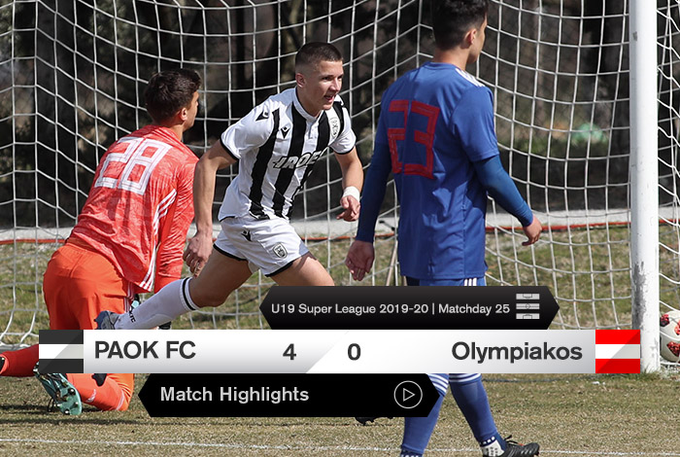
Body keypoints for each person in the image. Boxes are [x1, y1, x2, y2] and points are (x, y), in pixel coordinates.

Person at [345, 1, 542, 456]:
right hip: (454, 247)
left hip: (415, 244)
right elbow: (490, 174)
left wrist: (364, 237)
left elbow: (378, 171)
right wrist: (527, 217)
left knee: (456, 353)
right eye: (485, 31)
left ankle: (494, 447)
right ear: (473, 35)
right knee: (438, 360)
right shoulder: (469, 93)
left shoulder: (398, 89)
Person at [95, 42, 363, 331]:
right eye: (326, 78)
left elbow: (351, 163)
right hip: (254, 218)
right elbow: (207, 163)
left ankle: (119, 326)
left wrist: (351, 192)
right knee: (325, 296)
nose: (336, 87)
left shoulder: (337, 115)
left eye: (339, 78)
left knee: (206, 293)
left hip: (263, 219)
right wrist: (204, 232)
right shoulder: (268, 118)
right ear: (301, 80)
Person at [0, 69, 202, 415]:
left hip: (63, 263)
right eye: (197, 101)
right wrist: (164, 310)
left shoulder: (119, 145)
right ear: (184, 113)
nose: (199, 106)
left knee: (69, 351)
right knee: (119, 393)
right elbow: (170, 249)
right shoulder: (186, 164)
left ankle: (4, 362)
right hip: (104, 279)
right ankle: (68, 377)